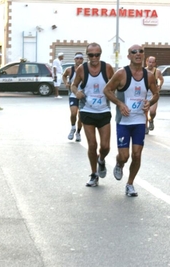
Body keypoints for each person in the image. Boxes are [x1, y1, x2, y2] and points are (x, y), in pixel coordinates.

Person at [103, 45, 159, 196]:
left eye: (141, 51)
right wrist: (120, 104)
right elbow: (107, 90)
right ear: (129, 56)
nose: (138, 54)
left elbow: (156, 94)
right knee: (124, 156)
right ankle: (119, 163)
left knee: (137, 154)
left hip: (140, 121)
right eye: (134, 52)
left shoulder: (149, 75)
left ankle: (130, 184)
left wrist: (150, 102)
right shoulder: (121, 74)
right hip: (124, 121)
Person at [71, 42, 114, 187]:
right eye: (91, 55)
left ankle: (101, 160)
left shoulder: (107, 68)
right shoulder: (81, 69)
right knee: (92, 145)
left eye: (97, 54)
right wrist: (76, 92)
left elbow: (116, 84)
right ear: (87, 55)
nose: (94, 57)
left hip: (103, 111)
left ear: (100, 54)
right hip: (87, 111)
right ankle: (94, 174)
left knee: (106, 146)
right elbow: (73, 85)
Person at [62, 52, 84, 142]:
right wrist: (66, 82)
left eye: (81, 58)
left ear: (83, 60)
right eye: (77, 58)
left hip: (83, 95)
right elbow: (64, 76)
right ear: (74, 59)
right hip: (73, 94)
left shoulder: (85, 69)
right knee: (73, 113)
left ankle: (78, 132)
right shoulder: (69, 69)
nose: (79, 60)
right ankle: (73, 128)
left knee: (81, 116)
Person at [145, 56, 163, 133]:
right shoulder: (143, 71)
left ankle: (151, 119)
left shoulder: (157, 71)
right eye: (149, 62)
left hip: (153, 94)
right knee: (145, 111)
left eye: (152, 62)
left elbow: (161, 79)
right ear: (146, 62)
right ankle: (145, 127)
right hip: (145, 93)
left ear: (155, 63)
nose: (151, 64)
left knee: (152, 112)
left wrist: (159, 86)